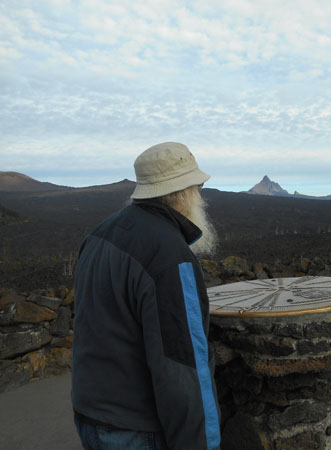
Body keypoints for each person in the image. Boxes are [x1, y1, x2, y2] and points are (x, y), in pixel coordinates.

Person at [71, 142, 221, 450]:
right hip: (136, 430)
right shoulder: (169, 256)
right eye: (198, 188)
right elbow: (182, 368)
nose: (200, 197)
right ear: (184, 193)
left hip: (90, 416)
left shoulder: (100, 233)